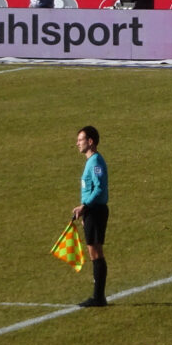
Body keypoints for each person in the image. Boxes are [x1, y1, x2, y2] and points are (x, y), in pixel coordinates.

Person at [71, 125, 109, 307]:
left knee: (95, 253)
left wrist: (84, 206)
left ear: (90, 141)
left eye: (81, 140)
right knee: (94, 252)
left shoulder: (95, 163)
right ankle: (98, 296)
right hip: (91, 211)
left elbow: (100, 188)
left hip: (95, 211)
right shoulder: (91, 161)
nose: (77, 143)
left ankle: (98, 297)